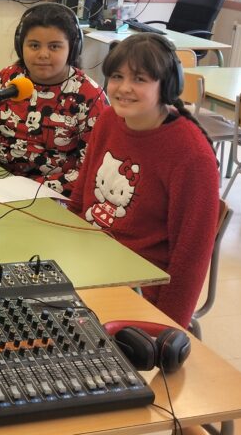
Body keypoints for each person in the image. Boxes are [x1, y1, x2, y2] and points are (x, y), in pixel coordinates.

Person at [67, 34, 219, 328]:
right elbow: (80, 199)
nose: (124, 88)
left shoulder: (191, 155)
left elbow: (191, 258)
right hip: (89, 262)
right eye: (117, 76)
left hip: (137, 287)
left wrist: (165, 329)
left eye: (139, 79)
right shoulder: (108, 120)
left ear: (167, 86)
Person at [0, 2, 107, 197]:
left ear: (72, 48)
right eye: (34, 45)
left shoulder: (90, 96)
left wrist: (27, 188)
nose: (43, 54)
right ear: (21, 46)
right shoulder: (9, 78)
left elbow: (91, 170)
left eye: (54, 46)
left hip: (54, 195)